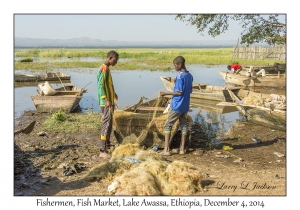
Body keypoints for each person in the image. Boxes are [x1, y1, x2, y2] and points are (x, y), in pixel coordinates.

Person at [159, 56, 193, 156]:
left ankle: (166, 149)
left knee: (168, 125)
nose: (174, 67)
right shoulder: (189, 75)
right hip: (185, 105)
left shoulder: (180, 76)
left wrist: (165, 94)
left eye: (175, 65)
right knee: (183, 125)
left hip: (177, 105)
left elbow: (178, 93)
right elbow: (190, 90)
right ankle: (182, 149)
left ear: (179, 64)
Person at [97, 50, 119, 159]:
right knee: (106, 124)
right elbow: (101, 86)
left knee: (110, 123)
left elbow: (108, 84)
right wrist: (106, 99)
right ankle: (102, 150)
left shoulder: (107, 69)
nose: (115, 63)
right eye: (115, 60)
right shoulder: (104, 69)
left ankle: (107, 143)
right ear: (110, 58)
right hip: (106, 103)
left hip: (110, 101)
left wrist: (113, 93)